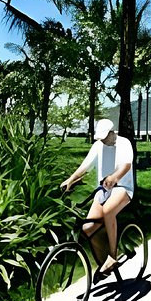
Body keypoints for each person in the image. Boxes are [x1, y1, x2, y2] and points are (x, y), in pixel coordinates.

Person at [60, 118, 134, 279]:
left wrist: (114, 177)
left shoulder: (124, 143)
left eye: (104, 137)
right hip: (103, 190)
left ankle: (112, 257)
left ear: (111, 132)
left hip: (123, 188)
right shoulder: (98, 145)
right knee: (87, 229)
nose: (101, 140)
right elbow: (84, 167)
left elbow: (126, 165)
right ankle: (104, 265)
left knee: (108, 211)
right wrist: (71, 179)